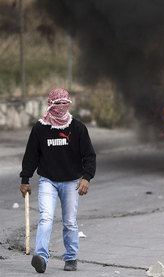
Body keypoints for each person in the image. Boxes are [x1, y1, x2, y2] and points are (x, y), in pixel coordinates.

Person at [19, 88, 96, 273]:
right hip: (48, 180)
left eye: (64, 103)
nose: (61, 107)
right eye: (57, 103)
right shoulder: (40, 129)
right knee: (46, 218)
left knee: (69, 221)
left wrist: (87, 177)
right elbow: (31, 156)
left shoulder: (77, 128)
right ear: (50, 105)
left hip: (71, 182)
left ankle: (70, 258)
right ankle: (41, 257)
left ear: (69, 104)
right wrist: (25, 179)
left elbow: (89, 156)